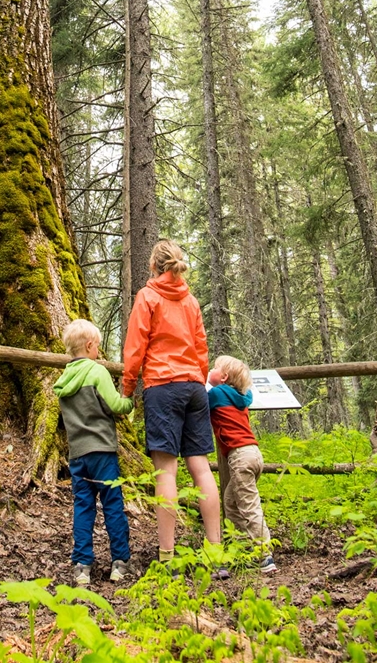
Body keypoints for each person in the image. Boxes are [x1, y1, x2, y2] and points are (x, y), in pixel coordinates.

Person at [122, 239, 221, 562]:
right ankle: (215, 550)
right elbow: (201, 345)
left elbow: (136, 345)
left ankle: (167, 554)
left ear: (153, 266)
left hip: (162, 386)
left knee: (166, 472)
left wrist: (126, 387)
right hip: (194, 386)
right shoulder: (190, 301)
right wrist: (200, 378)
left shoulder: (148, 296)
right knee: (202, 468)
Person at [54, 318, 134, 586]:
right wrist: (129, 401)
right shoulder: (97, 372)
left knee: (83, 506)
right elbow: (114, 405)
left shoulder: (64, 379)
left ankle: (82, 566)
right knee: (112, 504)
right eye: (97, 345)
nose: (98, 350)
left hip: (77, 454)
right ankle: (120, 562)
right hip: (102, 451)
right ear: (89, 345)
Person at [208, 355, 276, 574]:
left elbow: (200, 401)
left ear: (224, 376)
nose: (211, 369)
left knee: (249, 505)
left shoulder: (217, 394)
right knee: (231, 502)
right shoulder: (242, 397)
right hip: (253, 454)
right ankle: (244, 547)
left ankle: (265, 555)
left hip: (240, 457)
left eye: (215, 367)